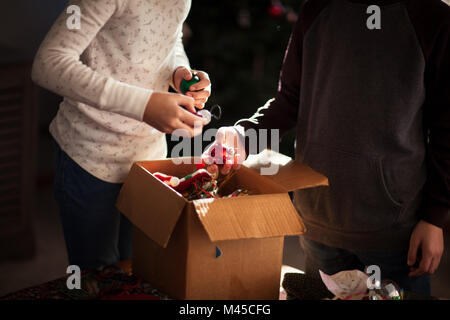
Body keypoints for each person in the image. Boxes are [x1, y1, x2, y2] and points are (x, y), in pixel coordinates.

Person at [205, 0, 449, 295]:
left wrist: (434, 218)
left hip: (396, 236)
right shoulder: (317, 8)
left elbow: (446, 129)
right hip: (318, 223)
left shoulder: (433, 18)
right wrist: (242, 135)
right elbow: (290, 101)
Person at [31, 0, 210, 270]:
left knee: (139, 265)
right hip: (89, 157)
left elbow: (169, 41)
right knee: (97, 276)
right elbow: (49, 63)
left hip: (148, 159)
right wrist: (143, 105)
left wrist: (180, 73)